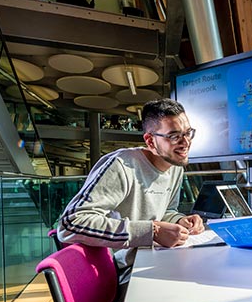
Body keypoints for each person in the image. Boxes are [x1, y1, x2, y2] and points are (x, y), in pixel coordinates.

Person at [58, 98, 205, 274]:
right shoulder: (120, 165)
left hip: (156, 259)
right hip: (124, 270)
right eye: (174, 136)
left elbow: (165, 212)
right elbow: (70, 223)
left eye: (188, 133)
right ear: (150, 142)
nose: (186, 142)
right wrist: (152, 232)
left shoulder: (175, 167)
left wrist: (179, 221)